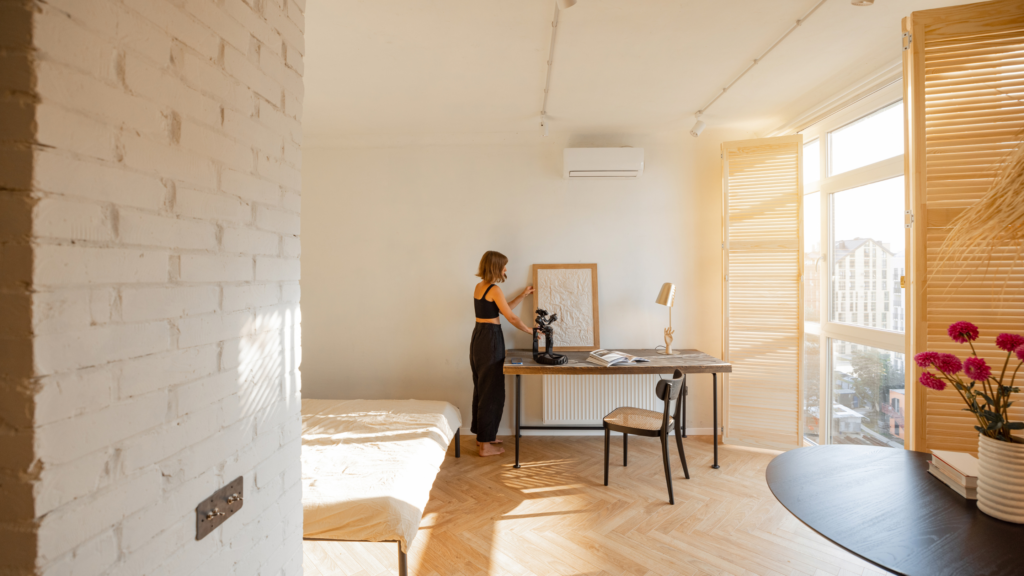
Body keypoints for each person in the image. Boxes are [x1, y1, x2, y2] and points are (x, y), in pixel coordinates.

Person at [471, 251, 536, 456]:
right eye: (503, 266)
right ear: (495, 267)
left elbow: (503, 308)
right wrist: (530, 331)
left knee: (482, 387)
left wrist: (523, 295)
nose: (506, 269)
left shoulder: (480, 287)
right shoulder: (495, 289)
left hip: (479, 338)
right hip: (490, 339)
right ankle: (485, 446)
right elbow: (512, 318)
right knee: (492, 390)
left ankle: (484, 436)